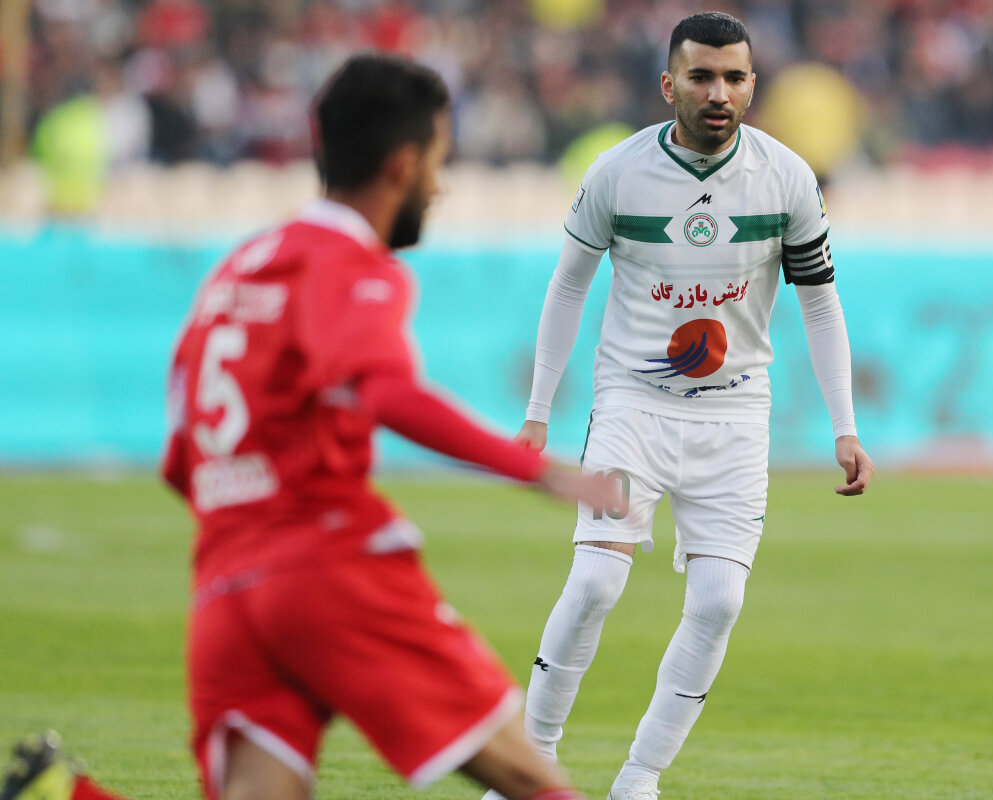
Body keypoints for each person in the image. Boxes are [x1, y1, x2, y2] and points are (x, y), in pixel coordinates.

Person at [0, 54, 622, 800]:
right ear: (402, 165)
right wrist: (541, 470)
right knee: (530, 778)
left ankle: (62, 795)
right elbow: (384, 390)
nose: (440, 185)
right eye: (438, 162)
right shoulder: (350, 265)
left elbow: (179, 457)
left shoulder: (238, 270)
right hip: (331, 564)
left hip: (227, 584)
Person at [482, 12, 874, 800]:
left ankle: (639, 778)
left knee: (720, 602)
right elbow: (568, 286)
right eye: (701, 76)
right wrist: (538, 409)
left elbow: (820, 303)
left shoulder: (788, 179)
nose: (718, 92)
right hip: (633, 406)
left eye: (734, 77)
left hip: (736, 416)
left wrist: (845, 427)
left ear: (752, 86)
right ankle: (531, 767)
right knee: (595, 583)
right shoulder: (618, 173)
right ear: (669, 85)